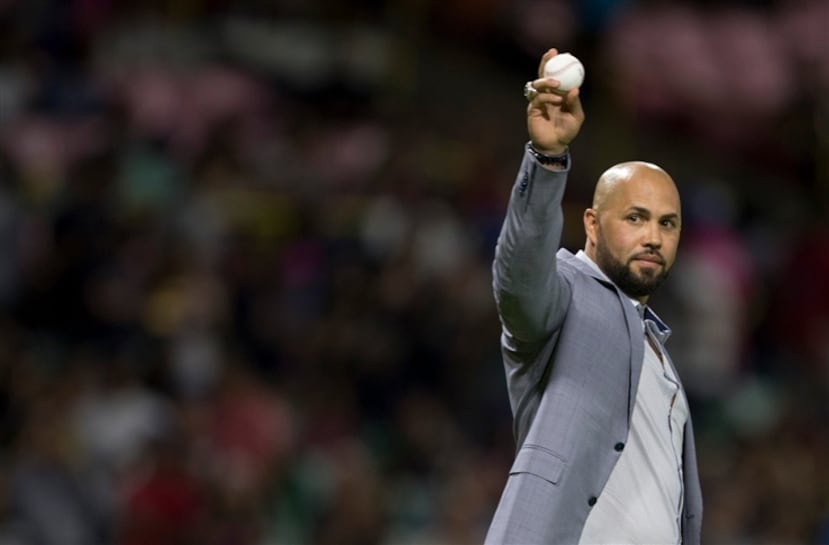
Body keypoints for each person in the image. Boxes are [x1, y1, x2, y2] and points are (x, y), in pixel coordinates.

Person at [484, 49, 703, 544]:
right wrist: (546, 160)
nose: (653, 236)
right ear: (591, 223)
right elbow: (519, 277)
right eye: (635, 217)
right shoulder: (566, 290)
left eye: (667, 223)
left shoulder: (658, 349)